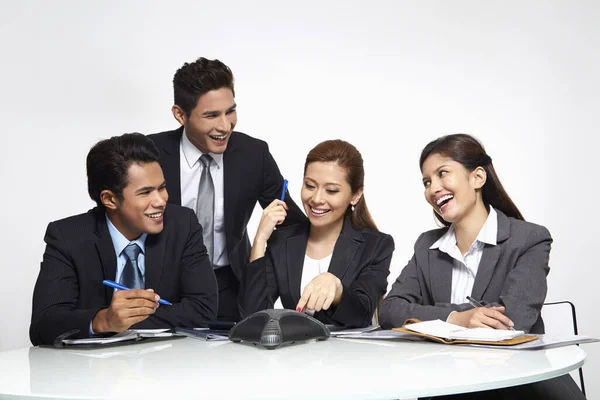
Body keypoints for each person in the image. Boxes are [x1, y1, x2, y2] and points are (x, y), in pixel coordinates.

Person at [379, 134, 584, 399]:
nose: (433, 188)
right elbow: (390, 310)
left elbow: (511, 321)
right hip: (449, 386)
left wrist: (431, 321)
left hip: (519, 387)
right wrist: (458, 318)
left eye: (443, 173)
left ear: (477, 177)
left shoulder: (529, 238)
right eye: (427, 181)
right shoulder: (427, 246)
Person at [147, 57, 306, 322]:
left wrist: (263, 268)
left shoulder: (254, 154)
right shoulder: (150, 154)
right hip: (161, 291)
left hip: (230, 289)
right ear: (180, 114)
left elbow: (292, 224)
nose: (225, 126)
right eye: (211, 115)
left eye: (230, 111)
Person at [30, 133, 218, 346]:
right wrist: (103, 320)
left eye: (162, 187)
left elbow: (204, 309)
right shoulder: (68, 236)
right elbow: (43, 325)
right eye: (145, 192)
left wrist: (126, 321)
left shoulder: (183, 224)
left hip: (165, 365)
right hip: (90, 371)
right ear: (110, 199)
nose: (161, 200)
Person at [240, 139, 394, 328]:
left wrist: (337, 290)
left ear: (356, 195)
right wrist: (259, 240)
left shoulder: (376, 245)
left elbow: (362, 314)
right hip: (297, 353)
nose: (316, 199)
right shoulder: (282, 240)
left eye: (331, 190)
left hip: (350, 355)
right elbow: (253, 317)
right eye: (310, 186)